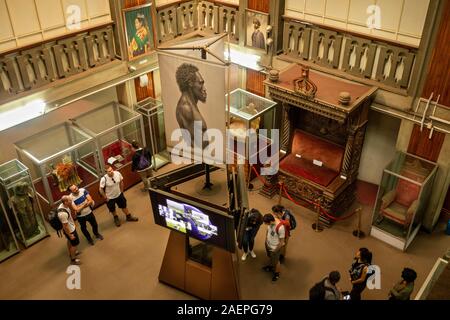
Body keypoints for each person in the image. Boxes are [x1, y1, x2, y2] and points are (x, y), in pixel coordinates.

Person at [175, 63, 209, 150]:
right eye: (200, 83)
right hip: (200, 158)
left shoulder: (190, 104)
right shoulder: (186, 108)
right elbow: (198, 144)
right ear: (190, 83)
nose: (204, 89)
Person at [58, 196, 81, 265]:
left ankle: (71, 253)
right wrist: (70, 235)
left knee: (69, 241)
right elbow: (65, 227)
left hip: (70, 228)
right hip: (70, 231)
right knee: (75, 244)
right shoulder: (63, 214)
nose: (71, 201)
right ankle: (73, 259)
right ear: (65, 202)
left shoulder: (63, 205)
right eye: (70, 200)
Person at [262, 213, 285, 282]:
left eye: (267, 223)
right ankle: (271, 266)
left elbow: (281, 242)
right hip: (268, 244)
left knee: (276, 261)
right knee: (271, 257)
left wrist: (275, 250)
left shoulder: (280, 228)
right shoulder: (271, 221)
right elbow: (268, 230)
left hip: (275, 248)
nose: (266, 225)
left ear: (271, 222)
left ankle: (276, 274)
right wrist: (266, 240)